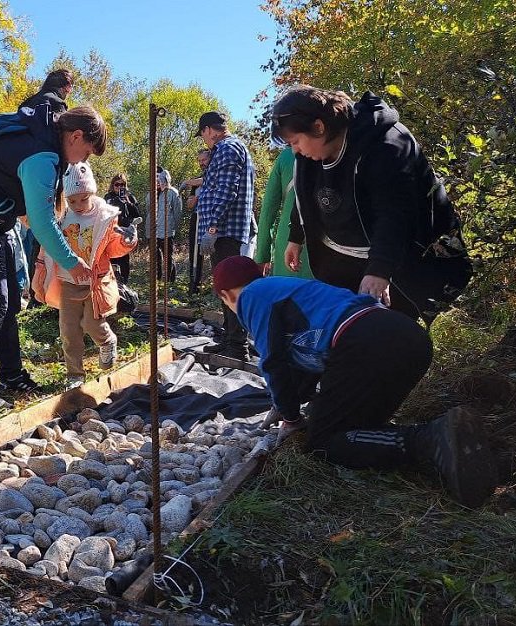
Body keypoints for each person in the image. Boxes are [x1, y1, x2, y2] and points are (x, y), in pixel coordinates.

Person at [212, 255, 497, 507]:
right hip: (405, 338)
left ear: (226, 295)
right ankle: (456, 444)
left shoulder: (252, 296)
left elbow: (272, 361)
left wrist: (290, 417)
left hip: (366, 343)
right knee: (354, 428)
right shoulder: (283, 288)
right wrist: (292, 402)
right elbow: (302, 359)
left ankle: (428, 439)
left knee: (323, 442)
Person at [0, 105, 106, 413]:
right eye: (87, 152)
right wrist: (70, 260)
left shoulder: (42, 142)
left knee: (10, 300)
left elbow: (28, 210)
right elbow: (40, 222)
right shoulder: (43, 155)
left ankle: (12, 375)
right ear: (76, 136)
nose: (83, 160)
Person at [271, 86, 471, 322]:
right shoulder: (310, 155)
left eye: (295, 141)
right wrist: (296, 236)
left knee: (395, 327)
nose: (296, 150)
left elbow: (394, 214)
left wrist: (379, 269)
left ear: (318, 127)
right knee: (350, 326)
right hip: (345, 261)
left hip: (400, 260)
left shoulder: (386, 145)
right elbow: (306, 195)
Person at [32, 163, 137, 389]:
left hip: (94, 282)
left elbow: (112, 248)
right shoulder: (60, 217)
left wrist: (127, 241)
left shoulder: (105, 216)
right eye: (72, 200)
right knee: (69, 330)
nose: (78, 205)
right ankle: (75, 374)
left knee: (91, 323)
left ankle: (107, 341)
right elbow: (47, 247)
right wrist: (40, 271)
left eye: (83, 199)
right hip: (68, 281)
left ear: (92, 193)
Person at [194, 111, 256, 360]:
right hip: (222, 231)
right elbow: (215, 189)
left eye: (203, 135)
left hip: (226, 232)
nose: (204, 141)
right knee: (224, 287)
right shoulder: (224, 150)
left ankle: (238, 345)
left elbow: (226, 191)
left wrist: (212, 227)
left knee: (232, 288)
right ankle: (230, 338)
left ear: (210, 129)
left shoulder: (228, 148)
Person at [254, 147, 313, 278]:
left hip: (288, 240)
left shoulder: (286, 156)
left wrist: (262, 255)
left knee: (285, 293)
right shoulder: (335, 149)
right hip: (330, 241)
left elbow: (268, 209)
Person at [182, 148, 211, 293]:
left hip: (211, 217)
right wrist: (194, 200)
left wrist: (188, 182)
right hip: (197, 216)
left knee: (213, 251)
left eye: (204, 160)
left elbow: (205, 181)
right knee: (195, 251)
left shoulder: (215, 175)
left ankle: (216, 285)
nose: (201, 163)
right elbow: (189, 204)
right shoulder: (196, 182)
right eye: (199, 161)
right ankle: (194, 284)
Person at [144, 169, 181, 282]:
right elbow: (148, 210)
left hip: (167, 231)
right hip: (153, 231)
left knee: (167, 257)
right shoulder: (151, 193)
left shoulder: (173, 193)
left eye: (159, 177)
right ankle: (157, 280)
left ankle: (169, 281)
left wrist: (172, 228)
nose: (157, 180)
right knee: (155, 258)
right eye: (155, 177)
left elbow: (177, 213)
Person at [103, 173, 140, 283]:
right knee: (112, 258)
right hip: (112, 232)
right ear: (112, 185)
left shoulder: (130, 197)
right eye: (117, 184)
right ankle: (113, 282)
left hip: (125, 232)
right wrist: (115, 202)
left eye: (122, 185)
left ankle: (124, 283)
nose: (120, 187)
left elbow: (137, 214)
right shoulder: (108, 197)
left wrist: (128, 202)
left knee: (124, 259)